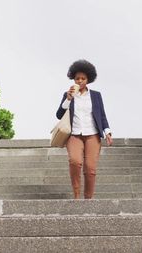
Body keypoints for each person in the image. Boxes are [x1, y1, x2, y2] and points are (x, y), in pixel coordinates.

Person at [56, 59, 113, 199]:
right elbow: (59, 115)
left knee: (90, 168)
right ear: (73, 79)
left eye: (83, 78)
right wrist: (68, 99)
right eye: (77, 78)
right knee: (75, 161)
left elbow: (102, 115)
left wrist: (107, 132)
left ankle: (88, 199)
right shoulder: (68, 94)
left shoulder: (96, 95)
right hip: (74, 134)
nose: (80, 81)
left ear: (88, 79)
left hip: (92, 134)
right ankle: (76, 196)